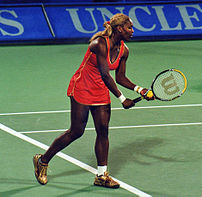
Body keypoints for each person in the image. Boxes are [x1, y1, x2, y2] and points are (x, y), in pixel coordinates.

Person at [33, 13, 154, 189]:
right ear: (119, 29)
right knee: (76, 131)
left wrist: (139, 89)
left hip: (101, 91)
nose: (133, 31)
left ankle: (101, 176)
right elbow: (105, 74)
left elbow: (119, 77)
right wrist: (122, 98)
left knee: (103, 131)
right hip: (82, 87)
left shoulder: (124, 50)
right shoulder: (99, 44)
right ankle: (42, 161)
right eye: (130, 28)